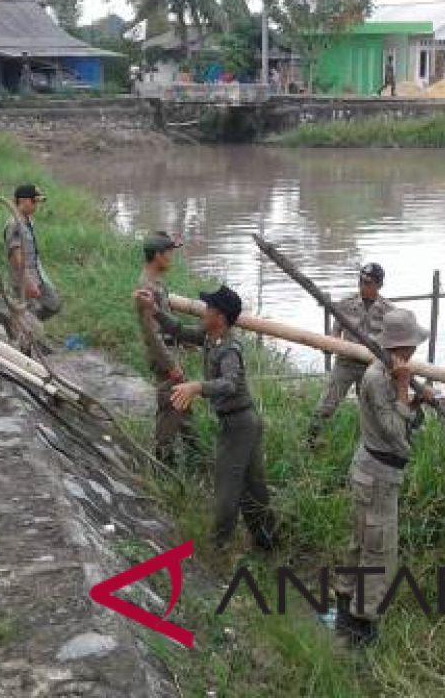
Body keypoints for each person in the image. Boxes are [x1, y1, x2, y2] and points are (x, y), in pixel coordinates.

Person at [153, 285, 277, 550]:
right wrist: (156, 312)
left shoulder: (229, 349)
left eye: (208, 309)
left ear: (220, 317)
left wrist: (198, 387)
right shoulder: (210, 337)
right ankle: (267, 541)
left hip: (239, 425)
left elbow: (230, 383)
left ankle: (218, 546)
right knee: (252, 486)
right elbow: (180, 331)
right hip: (243, 422)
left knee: (227, 488)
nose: (203, 312)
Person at [335, 309, 430, 646]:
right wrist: (405, 389)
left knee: (362, 541)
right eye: (414, 346)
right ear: (404, 347)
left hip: (372, 472)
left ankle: (344, 604)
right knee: (378, 551)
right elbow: (393, 432)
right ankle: (363, 624)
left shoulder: (390, 372)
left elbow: (399, 418)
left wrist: (415, 400)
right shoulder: (379, 377)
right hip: (378, 476)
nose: (416, 351)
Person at [305, 263, 393, 447]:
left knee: (372, 410)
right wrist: (329, 345)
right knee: (327, 403)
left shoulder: (388, 311)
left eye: (368, 283)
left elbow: (393, 343)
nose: (363, 286)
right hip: (345, 363)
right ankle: (310, 441)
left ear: (379, 285)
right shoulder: (346, 304)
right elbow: (335, 333)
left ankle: (371, 445)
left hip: (371, 368)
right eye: (361, 281)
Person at [133, 231, 201, 467]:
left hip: (170, 351)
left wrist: (184, 342)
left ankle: (195, 455)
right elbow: (151, 333)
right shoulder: (147, 288)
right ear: (157, 256)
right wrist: (171, 365)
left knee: (182, 406)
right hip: (165, 357)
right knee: (170, 409)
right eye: (169, 253)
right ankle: (163, 463)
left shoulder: (156, 283)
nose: (172, 257)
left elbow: (165, 322)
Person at [4, 183, 61, 322]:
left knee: (53, 303)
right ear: (23, 201)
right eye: (34, 201)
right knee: (30, 310)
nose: (36, 206)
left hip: (36, 274)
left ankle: (30, 324)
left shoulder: (27, 220)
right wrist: (27, 281)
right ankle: (26, 329)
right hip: (25, 278)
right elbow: (15, 257)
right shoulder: (14, 224)